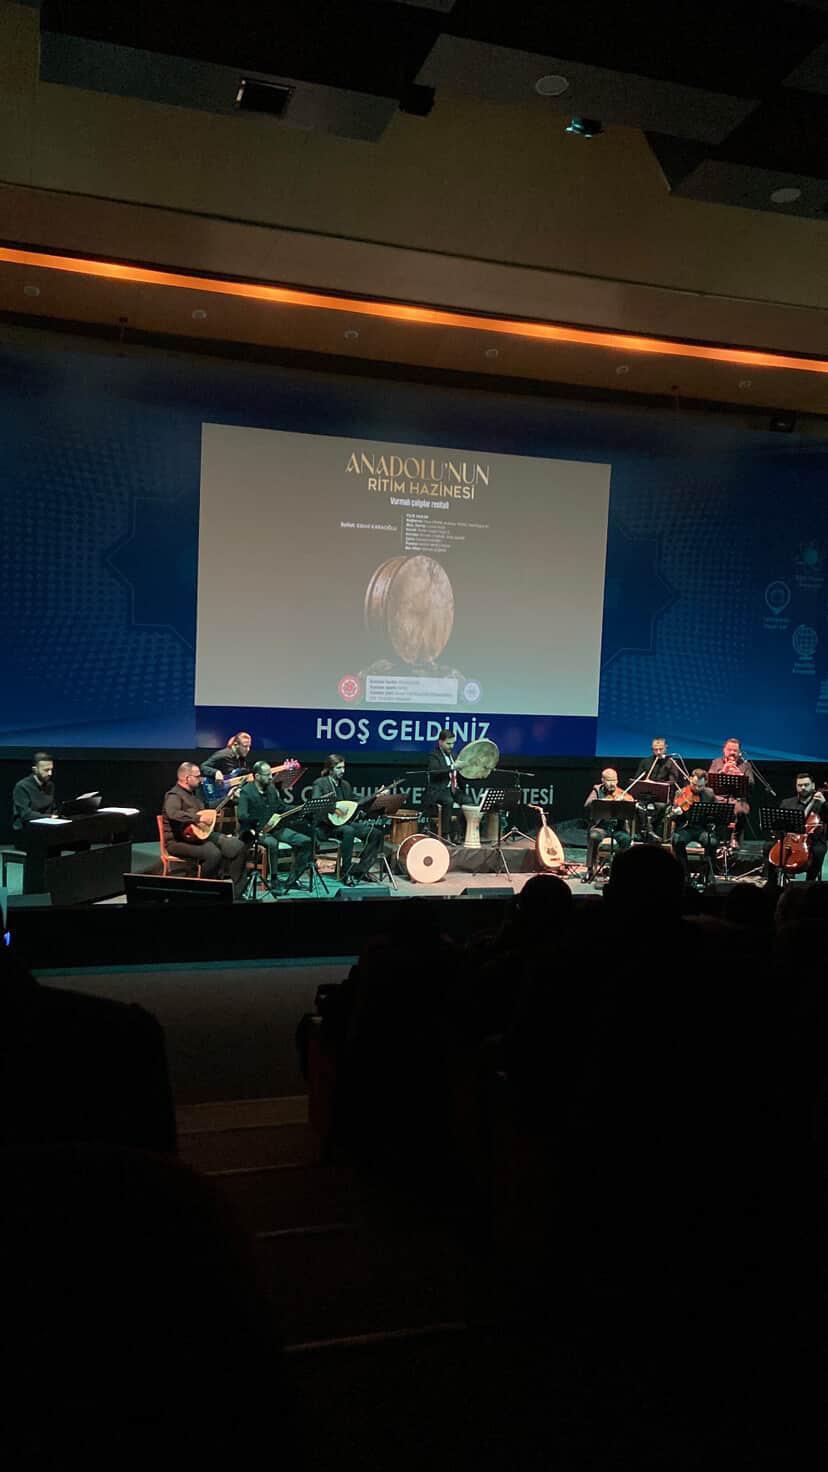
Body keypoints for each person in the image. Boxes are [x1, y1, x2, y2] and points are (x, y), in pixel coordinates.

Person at [162, 762, 247, 897]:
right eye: (197, 776)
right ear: (187, 778)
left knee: (238, 846)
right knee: (213, 853)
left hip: (200, 835)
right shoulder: (174, 795)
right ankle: (206, 892)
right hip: (178, 841)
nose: (200, 779)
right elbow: (173, 813)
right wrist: (198, 818)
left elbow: (208, 806)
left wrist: (228, 798)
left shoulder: (194, 794)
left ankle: (236, 893)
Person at [237, 759, 312, 893]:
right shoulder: (246, 792)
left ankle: (292, 880)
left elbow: (281, 807)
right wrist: (259, 824)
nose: (271, 777)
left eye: (270, 774)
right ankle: (274, 879)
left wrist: (300, 808)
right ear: (257, 776)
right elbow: (242, 816)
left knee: (305, 841)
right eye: (267, 775)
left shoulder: (271, 789)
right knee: (272, 843)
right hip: (255, 831)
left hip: (275, 829)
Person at [310, 754, 385, 885]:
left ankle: (361, 870)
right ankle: (345, 873)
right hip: (326, 826)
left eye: (343, 767)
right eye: (339, 768)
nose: (342, 771)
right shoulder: (320, 783)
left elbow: (357, 801)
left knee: (375, 833)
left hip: (344, 823)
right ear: (330, 769)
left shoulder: (345, 785)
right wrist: (332, 808)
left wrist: (376, 796)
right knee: (348, 831)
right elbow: (315, 803)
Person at [763, 772, 826, 883]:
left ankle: (809, 883)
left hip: (813, 840)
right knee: (768, 846)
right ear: (796, 786)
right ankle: (772, 882)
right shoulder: (787, 803)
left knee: (819, 851)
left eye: (806, 785)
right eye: (800, 785)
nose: (803, 788)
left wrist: (824, 804)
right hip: (789, 838)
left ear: (813, 786)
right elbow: (778, 823)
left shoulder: (820, 804)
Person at [583, 767, 633, 881]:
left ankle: (622, 869)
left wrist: (624, 800)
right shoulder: (597, 790)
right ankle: (590, 869)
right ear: (603, 781)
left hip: (617, 828)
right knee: (593, 836)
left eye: (614, 780)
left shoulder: (621, 793)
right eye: (609, 781)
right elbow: (588, 804)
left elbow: (631, 802)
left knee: (626, 839)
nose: (612, 783)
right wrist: (604, 800)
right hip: (602, 828)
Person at [670, 768, 718, 883]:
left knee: (713, 842)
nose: (696, 788)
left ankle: (705, 874)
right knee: (677, 840)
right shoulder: (680, 793)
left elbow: (716, 813)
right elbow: (673, 817)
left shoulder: (710, 794)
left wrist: (712, 822)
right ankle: (685, 873)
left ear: (705, 783)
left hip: (702, 829)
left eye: (700, 786)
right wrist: (677, 813)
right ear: (690, 779)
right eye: (694, 784)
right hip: (685, 828)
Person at [631, 737, 685, 841]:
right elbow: (637, 779)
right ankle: (646, 831)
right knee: (639, 806)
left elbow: (673, 781)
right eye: (655, 750)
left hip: (662, 797)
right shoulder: (646, 762)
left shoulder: (671, 762)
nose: (658, 752)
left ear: (666, 748)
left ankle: (651, 830)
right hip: (646, 795)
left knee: (661, 806)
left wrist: (656, 784)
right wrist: (645, 782)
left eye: (661, 749)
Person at [708, 738, 754, 846]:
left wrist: (740, 775)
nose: (732, 752)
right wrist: (723, 771)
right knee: (709, 808)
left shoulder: (745, 765)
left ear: (739, 752)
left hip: (737, 799)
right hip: (719, 798)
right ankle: (714, 837)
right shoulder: (716, 762)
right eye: (729, 750)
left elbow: (752, 784)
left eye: (735, 750)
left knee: (742, 811)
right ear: (724, 750)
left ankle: (735, 837)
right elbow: (709, 781)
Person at [425, 728, 463, 841]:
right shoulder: (433, 755)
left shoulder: (454, 756)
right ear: (440, 742)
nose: (451, 746)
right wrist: (452, 767)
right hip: (439, 790)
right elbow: (434, 771)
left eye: (453, 743)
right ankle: (445, 834)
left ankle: (459, 833)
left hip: (453, 789)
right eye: (448, 743)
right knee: (448, 801)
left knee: (468, 801)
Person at [201, 732, 253, 798]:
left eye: (249, 746)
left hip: (230, 793)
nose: (248, 749)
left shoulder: (242, 759)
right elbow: (203, 766)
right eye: (245, 746)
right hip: (217, 793)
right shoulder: (223, 755)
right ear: (236, 744)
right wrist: (215, 772)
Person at [12, 751, 57, 828]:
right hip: (26, 828)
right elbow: (26, 814)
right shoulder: (22, 786)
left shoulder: (50, 785)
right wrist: (50, 816)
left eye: (51, 769)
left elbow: (53, 809)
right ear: (35, 770)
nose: (50, 773)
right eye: (46, 770)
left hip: (45, 827)